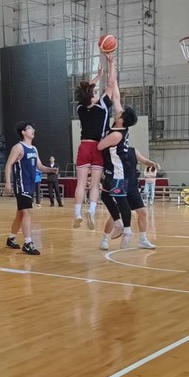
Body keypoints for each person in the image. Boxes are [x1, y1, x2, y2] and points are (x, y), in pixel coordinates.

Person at [73, 52, 117, 230]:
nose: (97, 93)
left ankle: (77, 213)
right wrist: (111, 63)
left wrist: (97, 76)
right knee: (95, 184)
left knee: (81, 183)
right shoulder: (103, 105)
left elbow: (84, 92)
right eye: (95, 92)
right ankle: (91, 211)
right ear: (92, 97)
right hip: (99, 147)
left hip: (84, 146)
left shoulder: (80, 108)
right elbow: (111, 84)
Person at [97, 75, 138, 249]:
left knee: (121, 200)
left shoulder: (116, 134)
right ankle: (118, 222)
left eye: (119, 113)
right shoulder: (121, 124)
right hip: (112, 170)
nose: (117, 112)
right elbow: (116, 98)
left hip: (119, 171)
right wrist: (112, 75)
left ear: (122, 119)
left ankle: (127, 230)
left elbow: (99, 146)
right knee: (105, 195)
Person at [4, 122, 57, 255]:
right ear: (23, 132)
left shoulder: (34, 149)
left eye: (33, 128)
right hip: (21, 184)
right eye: (29, 128)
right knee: (28, 211)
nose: (33, 130)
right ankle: (28, 243)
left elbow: (40, 166)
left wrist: (50, 169)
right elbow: (8, 164)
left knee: (20, 214)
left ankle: (11, 238)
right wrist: (8, 182)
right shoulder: (18, 147)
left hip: (30, 184)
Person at [99, 148, 159, 250]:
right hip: (120, 186)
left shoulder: (133, 150)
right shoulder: (113, 151)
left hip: (132, 187)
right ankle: (104, 239)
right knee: (115, 215)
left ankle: (143, 240)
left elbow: (144, 160)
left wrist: (152, 163)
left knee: (142, 212)